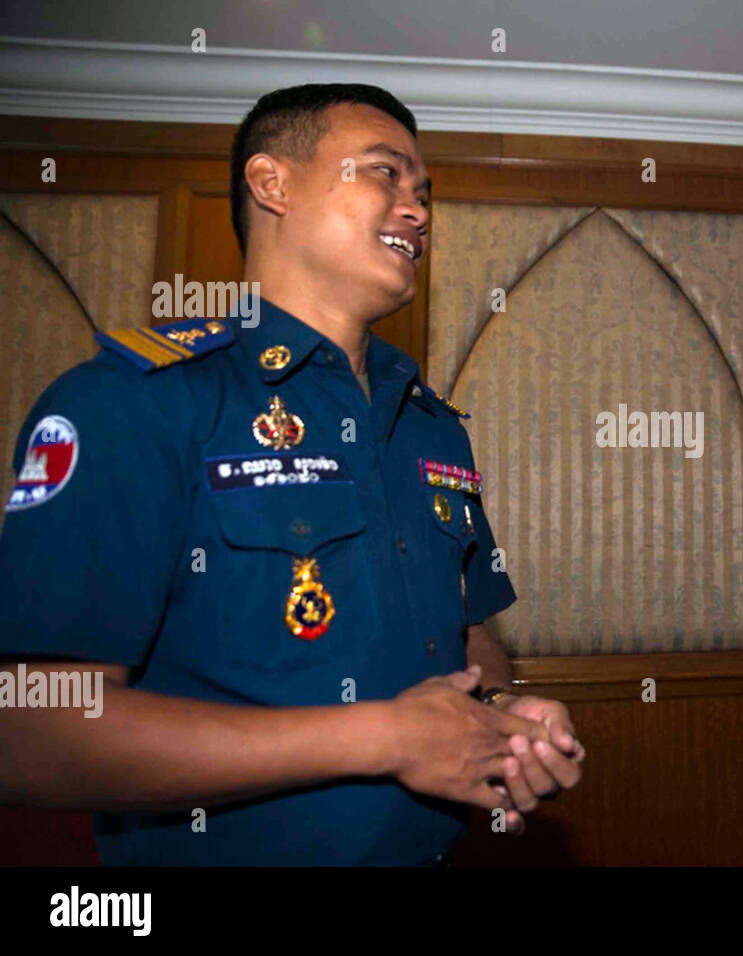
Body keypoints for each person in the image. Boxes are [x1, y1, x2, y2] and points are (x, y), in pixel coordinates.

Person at [0, 84, 584, 865]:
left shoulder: (430, 426)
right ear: (271, 183)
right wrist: (380, 737)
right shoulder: (134, 403)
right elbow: (30, 735)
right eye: (385, 173)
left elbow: (471, 632)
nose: (417, 209)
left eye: (424, 192)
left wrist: (502, 713)